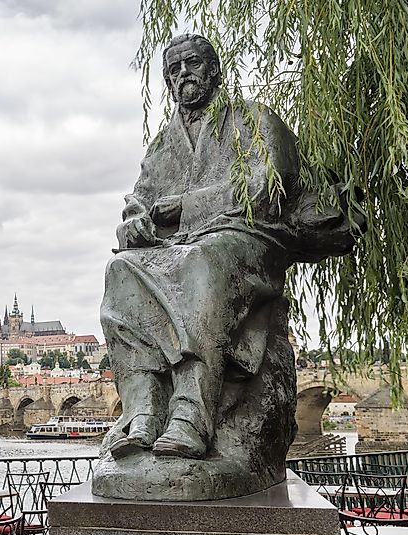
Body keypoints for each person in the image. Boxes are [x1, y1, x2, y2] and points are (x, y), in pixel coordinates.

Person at [101, 34, 360, 459]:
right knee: (121, 270)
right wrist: (134, 220)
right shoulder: (164, 144)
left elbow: (266, 188)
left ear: (215, 71)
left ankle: (191, 416)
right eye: (174, 69)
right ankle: (142, 409)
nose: (183, 74)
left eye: (192, 64)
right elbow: (140, 196)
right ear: (168, 82)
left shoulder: (254, 119)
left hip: (245, 240)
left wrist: (186, 206)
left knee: (204, 263)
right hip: (176, 249)